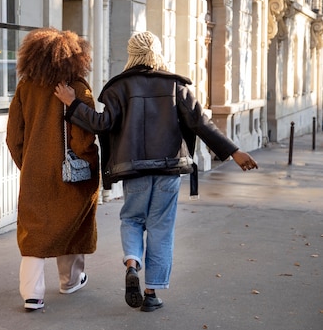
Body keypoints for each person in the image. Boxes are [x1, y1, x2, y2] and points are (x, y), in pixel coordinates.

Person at [54, 31, 258, 312]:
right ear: (158, 53)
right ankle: (151, 293)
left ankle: (132, 264)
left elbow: (102, 124)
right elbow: (201, 123)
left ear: (131, 53)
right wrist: (234, 151)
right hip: (168, 169)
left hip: (133, 170)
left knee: (132, 219)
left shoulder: (118, 87)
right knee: (161, 228)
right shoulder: (176, 86)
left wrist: (72, 103)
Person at [6, 27, 100, 312]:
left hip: (35, 172)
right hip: (71, 175)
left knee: (34, 232)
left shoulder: (25, 86)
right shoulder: (78, 88)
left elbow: (14, 136)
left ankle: (32, 294)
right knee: (71, 225)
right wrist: (87, 161)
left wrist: (29, 163)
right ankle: (69, 281)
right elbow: (84, 137)